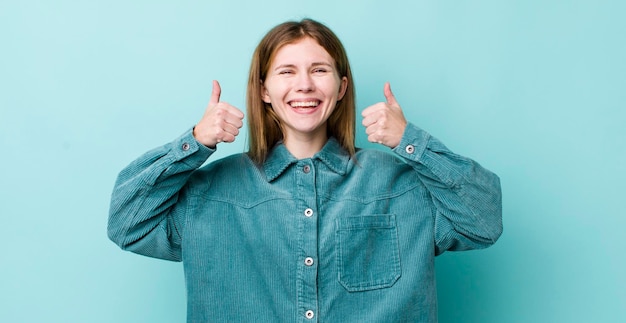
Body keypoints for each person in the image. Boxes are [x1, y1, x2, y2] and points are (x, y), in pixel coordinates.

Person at [108, 18, 502, 323]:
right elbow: (127, 222)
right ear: (264, 90)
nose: (304, 85)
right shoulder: (209, 194)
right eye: (286, 71)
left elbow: (483, 221)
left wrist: (410, 141)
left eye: (319, 70)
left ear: (342, 86)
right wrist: (195, 142)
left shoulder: (402, 185)